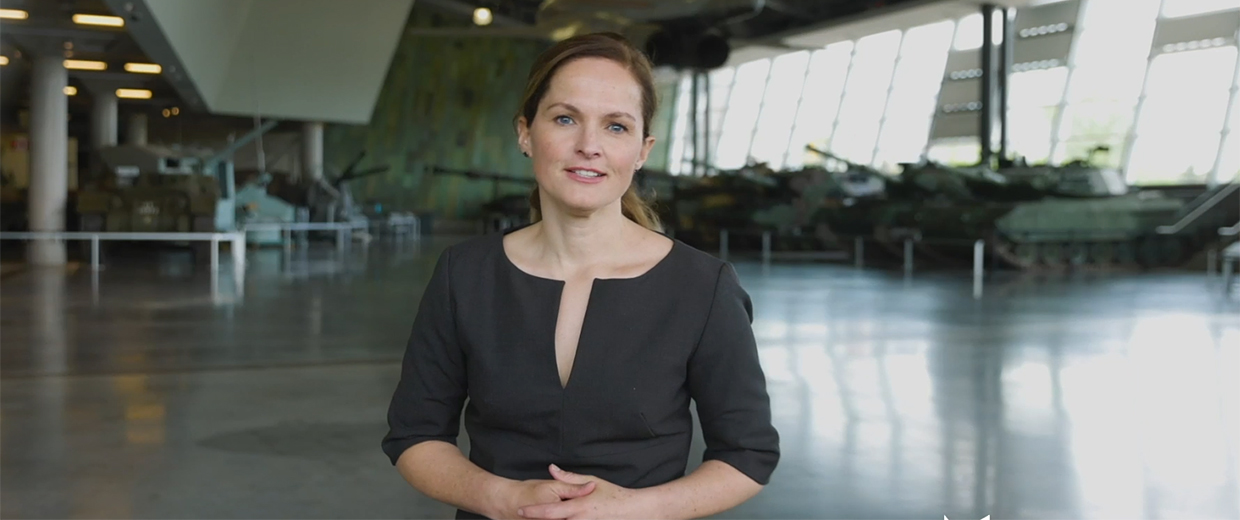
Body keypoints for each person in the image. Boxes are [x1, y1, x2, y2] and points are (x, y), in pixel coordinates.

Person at [382, 32, 779, 520]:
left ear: (642, 149)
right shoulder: (463, 274)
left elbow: (747, 455)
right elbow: (415, 435)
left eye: (615, 126)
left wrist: (636, 509)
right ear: (526, 133)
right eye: (566, 119)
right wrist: (501, 499)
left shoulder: (703, 286)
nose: (589, 145)